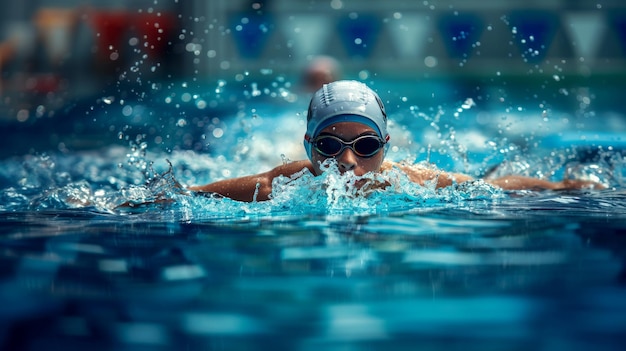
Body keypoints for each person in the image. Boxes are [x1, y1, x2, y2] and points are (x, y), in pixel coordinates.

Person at [189, 80, 601, 202]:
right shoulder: (282, 184)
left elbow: (492, 188)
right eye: (329, 146)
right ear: (307, 146)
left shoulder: (409, 180)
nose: (348, 161)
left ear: (386, 144)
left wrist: (562, 187)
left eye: (366, 146)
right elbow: (193, 192)